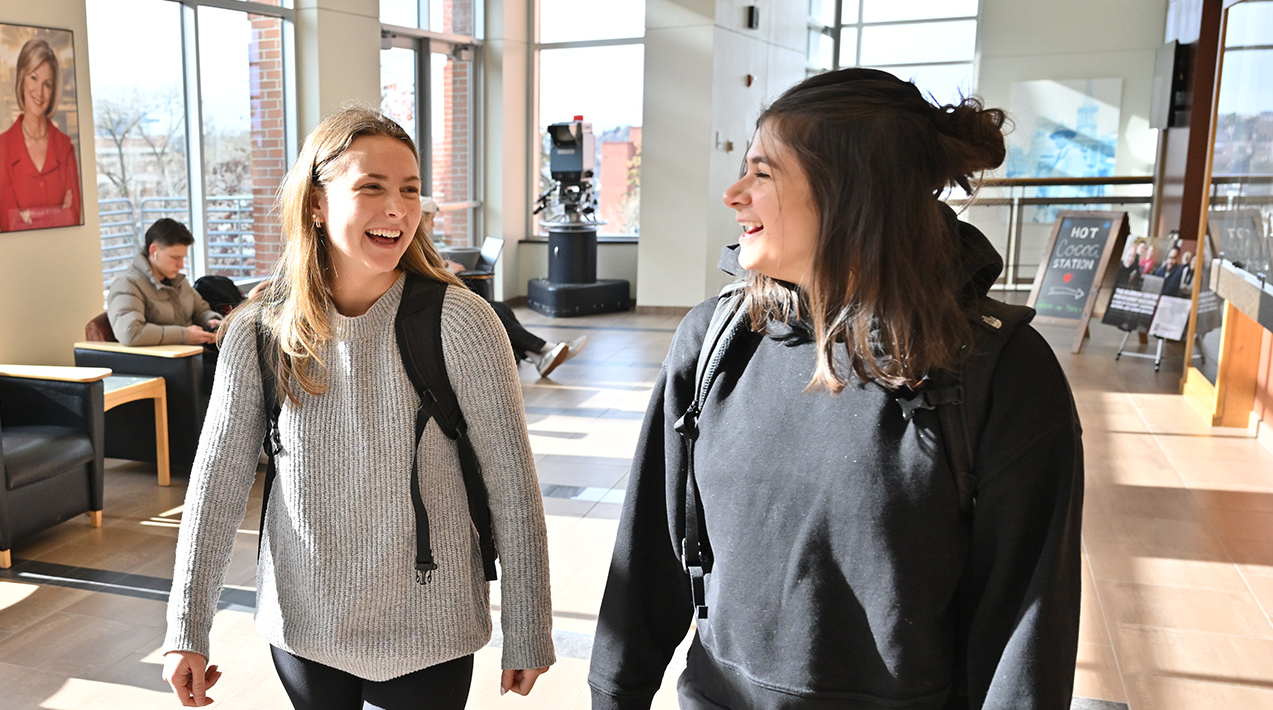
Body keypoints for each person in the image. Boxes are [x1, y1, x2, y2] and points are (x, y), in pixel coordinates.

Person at [589, 69, 1083, 709]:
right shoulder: (713, 340)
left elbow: (1025, 632)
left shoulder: (1002, 371)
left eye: (764, 175)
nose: (734, 194)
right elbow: (649, 555)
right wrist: (614, 694)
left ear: (852, 194)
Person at [162, 106, 555, 709]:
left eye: (410, 190)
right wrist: (186, 629)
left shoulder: (462, 321)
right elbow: (216, 485)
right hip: (305, 622)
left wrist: (529, 627)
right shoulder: (259, 332)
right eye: (371, 188)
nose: (396, 209)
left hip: (432, 624)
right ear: (316, 203)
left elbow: (513, 487)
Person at [420, 197, 587, 377]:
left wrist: (443, 266)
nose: (433, 225)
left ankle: (538, 356)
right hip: (435, 304)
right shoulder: (416, 245)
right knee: (493, 311)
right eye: (431, 220)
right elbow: (426, 279)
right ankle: (546, 349)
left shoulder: (423, 243)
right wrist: (449, 271)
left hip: (441, 298)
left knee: (502, 308)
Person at [0, 37, 80, 231]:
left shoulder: (65, 147)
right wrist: (57, 214)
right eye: (33, 78)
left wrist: (31, 217)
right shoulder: (3, 147)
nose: (39, 92)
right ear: (22, 79)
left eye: (47, 84)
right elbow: (9, 225)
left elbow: (73, 218)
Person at [106, 217, 223, 347]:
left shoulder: (178, 280)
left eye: (183, 258)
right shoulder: (128, 285)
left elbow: (200, 310)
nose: (181, 265)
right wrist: (184, 336)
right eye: (175, 258)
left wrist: (211, 321)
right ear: (153, 251)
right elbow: (130, 333)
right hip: (163, 363)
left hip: (194, 355)